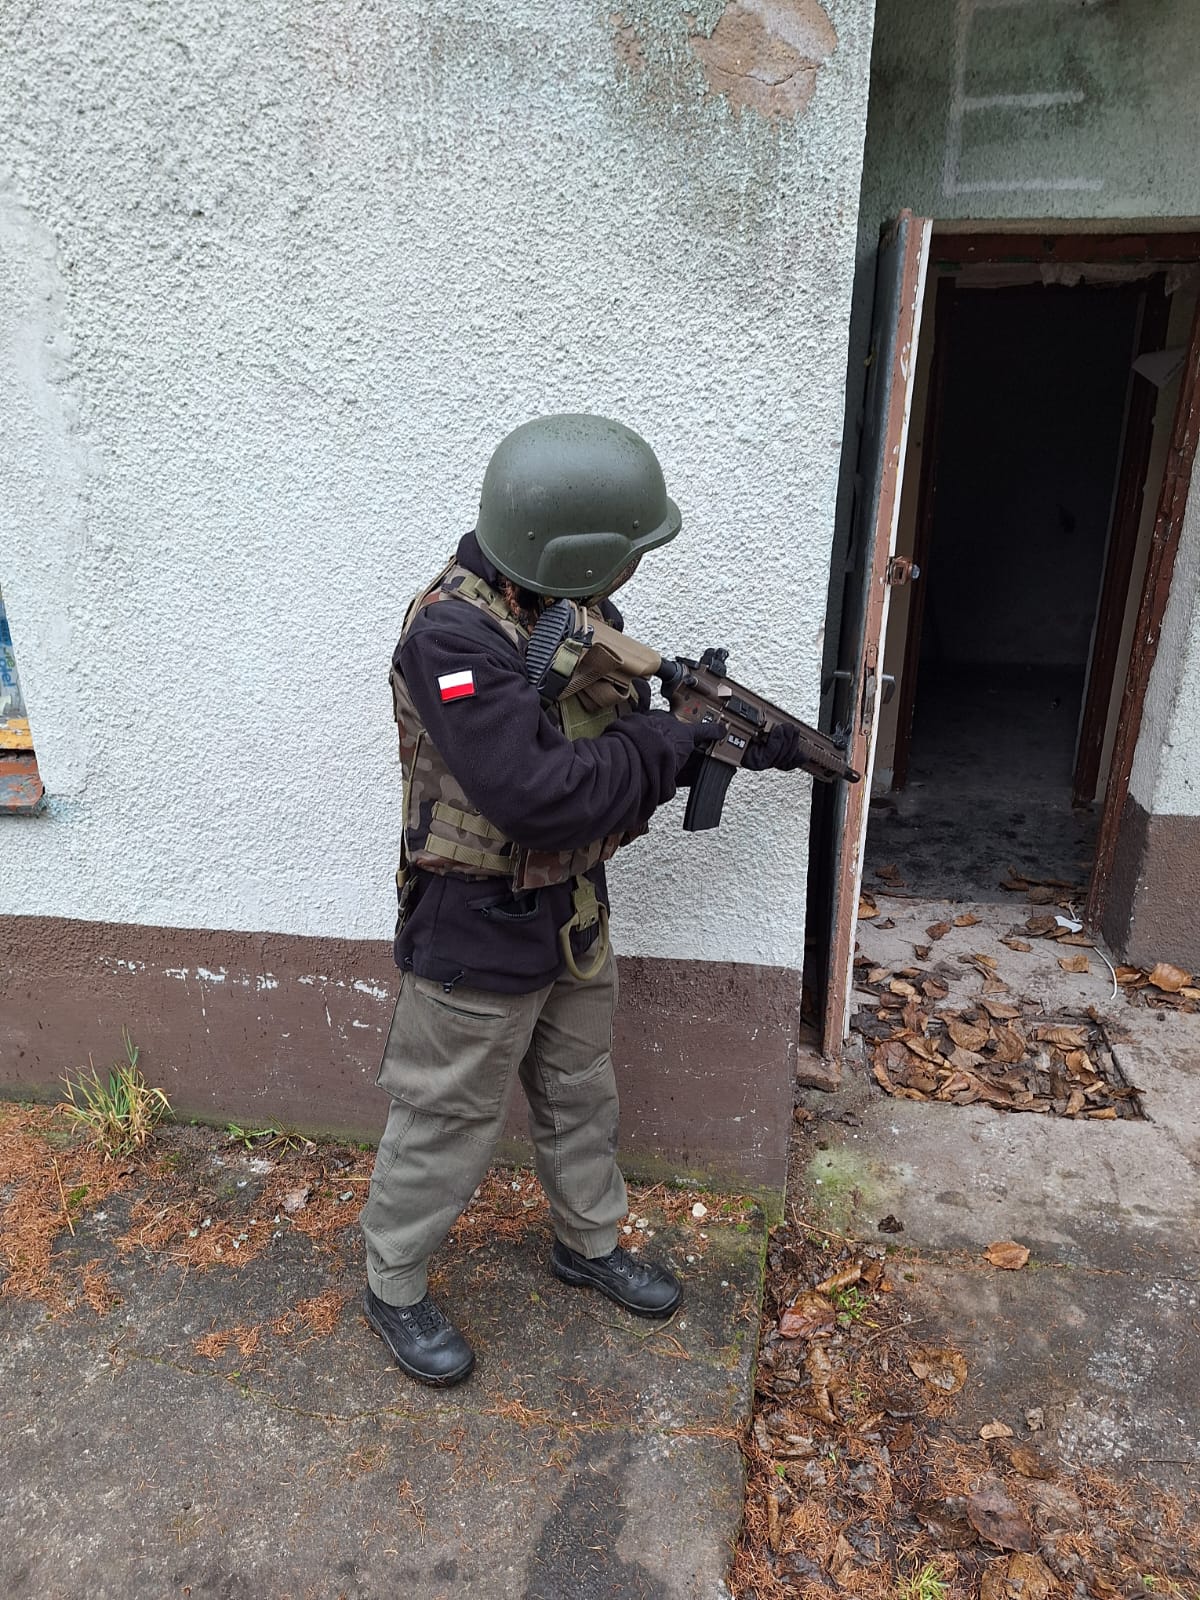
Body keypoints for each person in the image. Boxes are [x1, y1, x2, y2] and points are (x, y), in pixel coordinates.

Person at [360, 414, 805, 1386]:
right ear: (570, 547)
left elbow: (607, 725)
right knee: (444, 1120)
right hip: (473, 924)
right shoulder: (451, 637)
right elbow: (537, 793)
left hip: (570, 913)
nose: (627, 575)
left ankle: (587, 1243)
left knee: (579, 1092)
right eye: (622, 554)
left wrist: (718, 734)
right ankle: (391, 1283)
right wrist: (668, 747)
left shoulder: (557, 605)